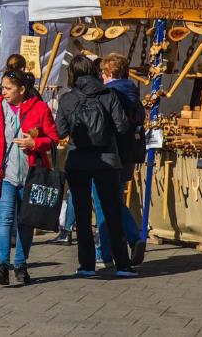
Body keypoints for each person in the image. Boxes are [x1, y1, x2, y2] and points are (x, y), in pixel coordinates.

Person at [56, 55, 136, 278]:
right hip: (107, 160)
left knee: (82, 215)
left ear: (72, 73)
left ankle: (87, 266)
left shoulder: (67, 99)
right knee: (112, 212)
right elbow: (121, 127)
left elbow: (60, 132)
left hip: (77, 161)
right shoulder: (109, 95)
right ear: (94, 71)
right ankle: (123, 265)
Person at [0, 69, 58, 285]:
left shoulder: (40, 108)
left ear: (22, 90)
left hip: (31, 175)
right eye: (2, 87)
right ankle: (1, 265)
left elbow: (53, 137)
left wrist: (35, 143)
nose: (3, 92)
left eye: (8, 88)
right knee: (3, 219)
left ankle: (21, 265)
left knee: (26, 221)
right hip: (3, 173)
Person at [94, 53, 147, 266]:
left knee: (103, 201)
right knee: (113, 199)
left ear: (109, 73)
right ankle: (129, 241)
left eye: (104, 74)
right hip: (129, 154)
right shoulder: (134, 93)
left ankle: (107, 251)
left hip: (110, 153)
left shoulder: (109, 93)